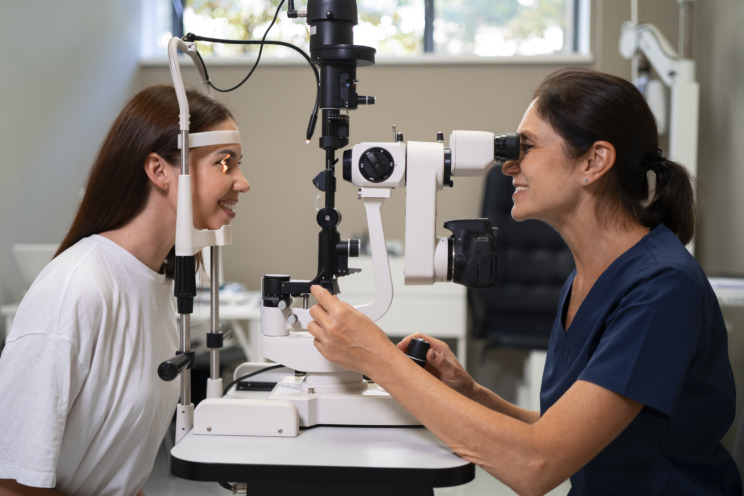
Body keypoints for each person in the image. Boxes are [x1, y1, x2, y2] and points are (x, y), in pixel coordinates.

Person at [306, 68, 742, 495]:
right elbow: (567, 437)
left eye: (526, 146)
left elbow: (537, 465)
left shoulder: (660, 288)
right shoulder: (586, 279)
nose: (509, 164)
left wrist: (377, 357)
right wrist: (472, 393)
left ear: (594, 160)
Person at [0, 84, 249, 496]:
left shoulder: (154, 284)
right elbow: (9, 482)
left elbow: (117, 470)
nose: (242, 183)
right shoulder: (78, 289)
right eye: (225, 163)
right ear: (159, 170)